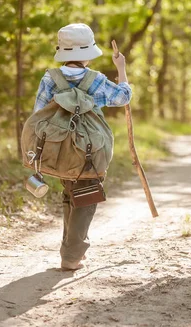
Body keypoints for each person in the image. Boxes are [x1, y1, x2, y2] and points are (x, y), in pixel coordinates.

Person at [33, 23, 132, 270]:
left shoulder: (50, 78)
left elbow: (38, 114)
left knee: (69, 194)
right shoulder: (95, 80)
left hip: (58, 149)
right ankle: (72, 255)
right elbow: (123, 97)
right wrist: (121, 69)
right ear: (88, 53)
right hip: (89, 149)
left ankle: (70, 248)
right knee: (87, 197)